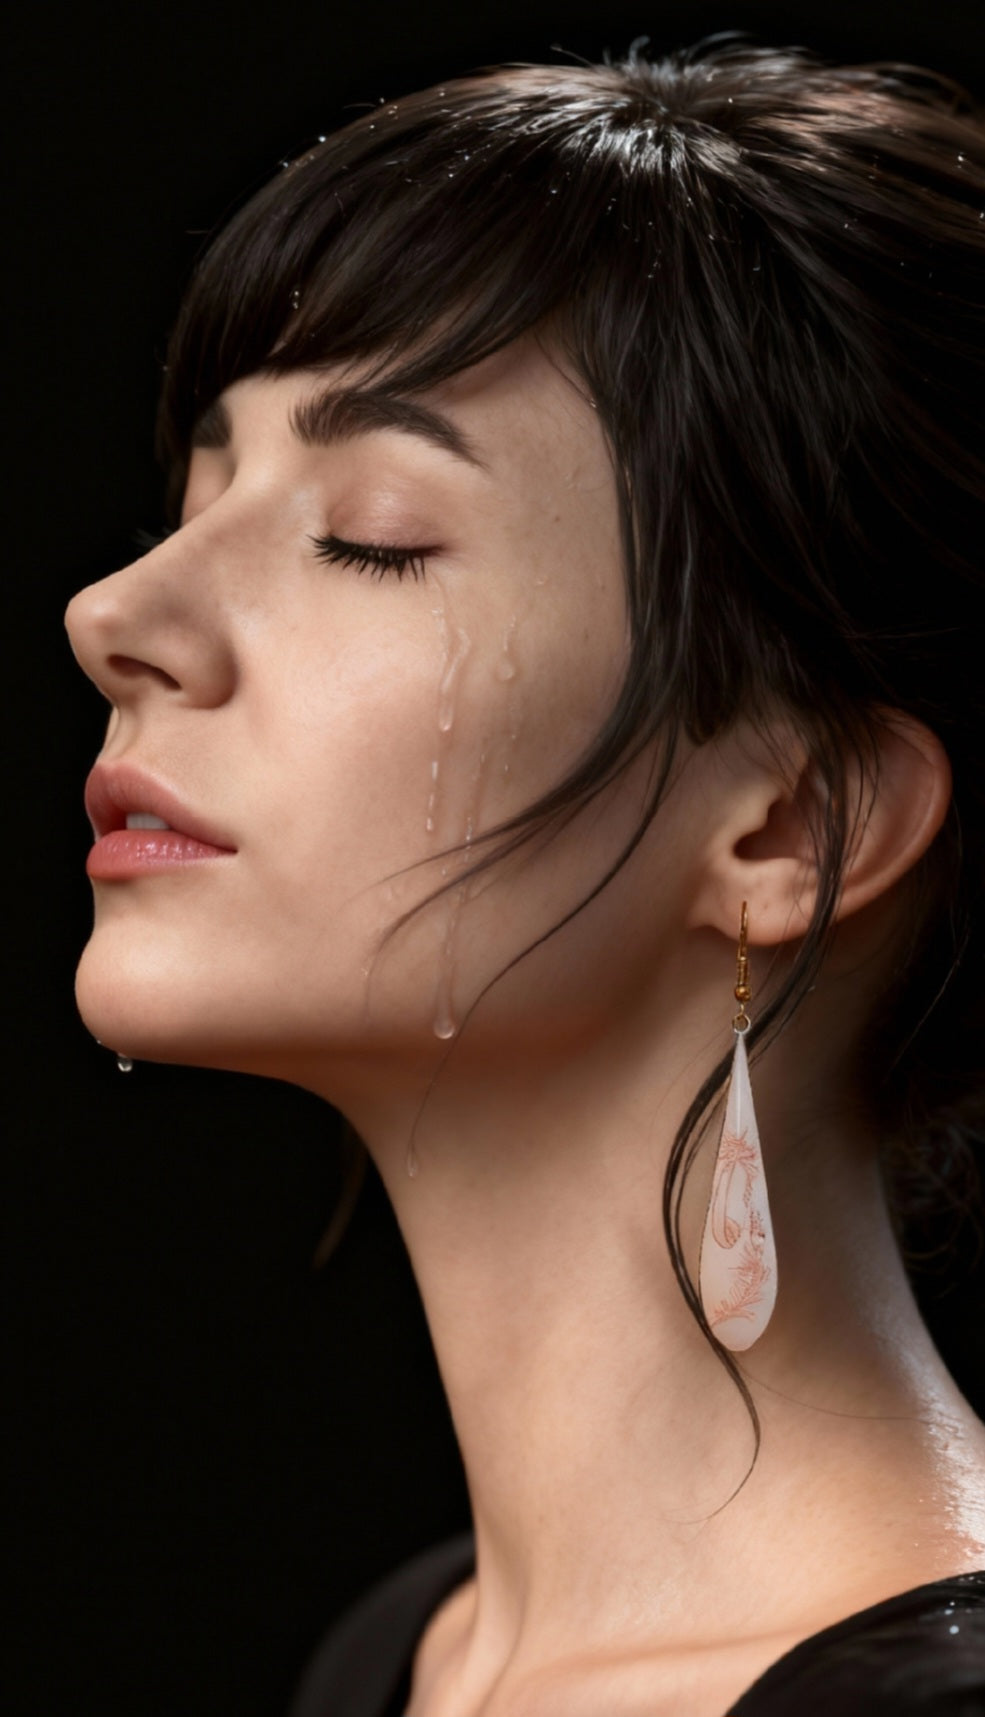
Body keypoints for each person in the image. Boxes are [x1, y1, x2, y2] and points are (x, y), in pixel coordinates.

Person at [64, 34, 985, 1717]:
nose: (113, 614)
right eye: (196, 496)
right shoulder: (403, 1661)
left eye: (372, 533)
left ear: (784, 827)